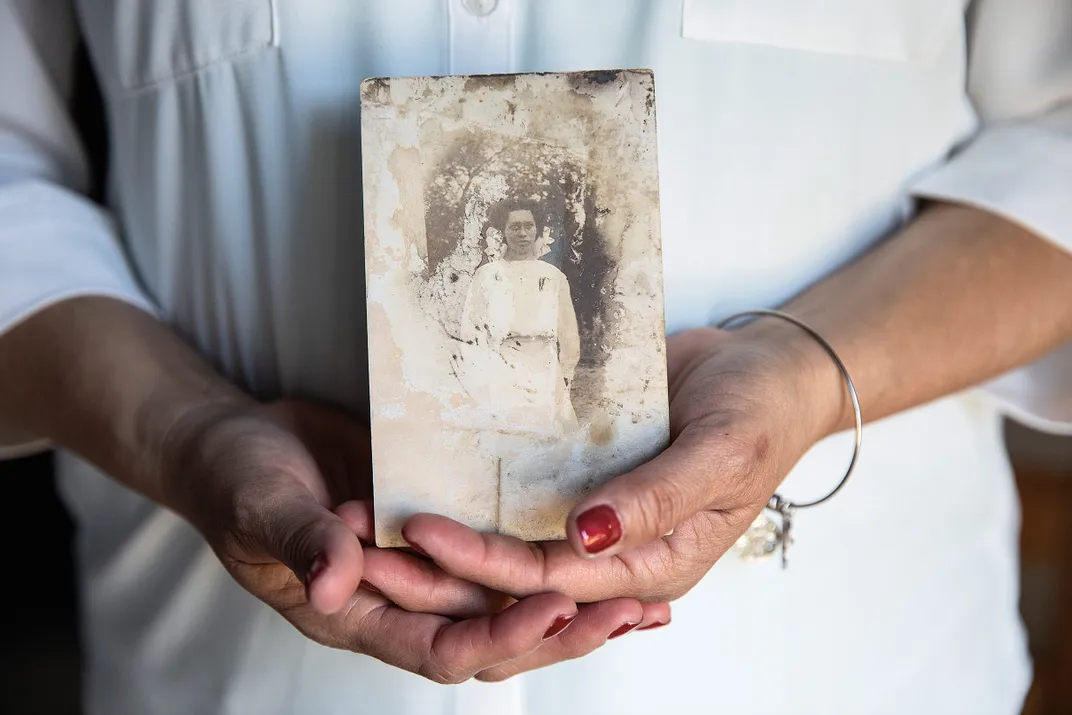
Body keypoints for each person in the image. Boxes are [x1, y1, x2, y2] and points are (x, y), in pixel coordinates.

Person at [1, 1, 1070, 714]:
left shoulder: (554, 284)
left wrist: (798, 377)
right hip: (230, 670)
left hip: (840, 666)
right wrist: (182, 429)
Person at [461, 202, 581, 436]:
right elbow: (472, 328)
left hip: (546, 370)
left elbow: (568, 331)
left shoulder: (553, 276)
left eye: (528, 226)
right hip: (503, 369)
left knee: (551, 440)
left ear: (537, 230)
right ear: (502, 231)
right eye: (515, 227)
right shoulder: (487, 275)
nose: (523, 233)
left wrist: (565, 374)